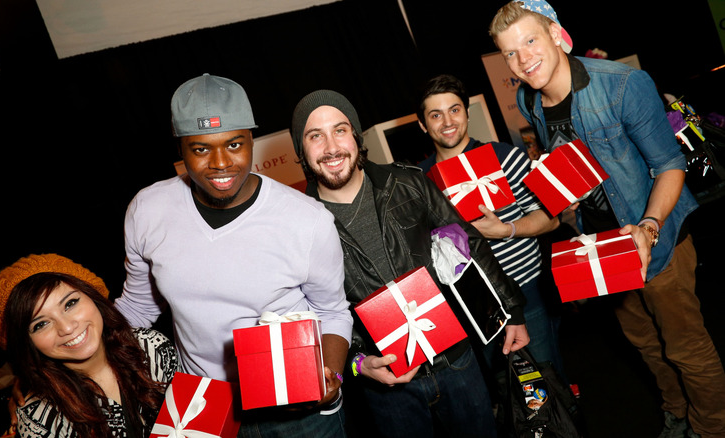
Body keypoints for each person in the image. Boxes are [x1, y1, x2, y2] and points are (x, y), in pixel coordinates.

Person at [489, 1, 725, 437]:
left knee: (686, 348)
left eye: (530, 40)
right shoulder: (529, 100)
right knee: (646, 346)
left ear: (557, 35)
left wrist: (649, 227)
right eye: (510, 52)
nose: (523, 59)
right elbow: (567, 163)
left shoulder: (623, 84)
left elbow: (670, 165)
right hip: (601, 250)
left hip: (658, 238)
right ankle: (677, 415)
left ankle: (710, 429)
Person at [113, 73, 354, 437]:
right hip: (203, 406)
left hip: (294, 406)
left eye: (234, 144)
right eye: (201, 149)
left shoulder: (308, 220)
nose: (220, 162)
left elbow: (333, 311)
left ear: (251, 141)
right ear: (181, 148)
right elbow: (139, 309)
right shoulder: (147, 210)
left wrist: (331, 375)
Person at [290, 89, 530, 437]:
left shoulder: (409, 182)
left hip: (457, 360)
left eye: (340, 130)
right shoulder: (298, 224)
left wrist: (511, 311)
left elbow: (470, 245)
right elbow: (312, 315)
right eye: (315, 135)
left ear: (355, 136)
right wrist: (357, 365)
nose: (331, 146)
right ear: (301, 149)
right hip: (385, 384)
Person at [416, 73, 565, 377]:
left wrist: (505, 230)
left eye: (454, 110)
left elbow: (551, 219)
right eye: (435, 114)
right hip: (472, 302)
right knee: (505, 395)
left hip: (526, 289)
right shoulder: (419, 182)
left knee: (548, 383)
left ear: (467, 114)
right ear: (423, 124)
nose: (447, 121)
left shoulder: (504, 156)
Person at [0, 253, 179, 437]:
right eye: (41, 324)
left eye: (70, 303)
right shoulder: (39, 419)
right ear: (27, 342)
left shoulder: (153, 349)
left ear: (92, 296)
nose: (67, 327)